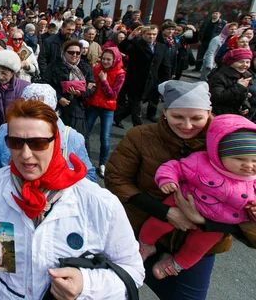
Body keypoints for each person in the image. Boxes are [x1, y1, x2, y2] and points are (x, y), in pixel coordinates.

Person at [0, 99, 144, 299]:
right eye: (16, 142)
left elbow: (133, 271)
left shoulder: (99, 203)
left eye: (38, 143)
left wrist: (85, 284)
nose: (25, 155)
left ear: (56, 142)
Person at [105, 80, 256, 299]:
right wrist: (166, 212)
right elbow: (116, 179)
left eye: (196, 118)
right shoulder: (140, 137)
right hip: (139, 236)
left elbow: (247, 208)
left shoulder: (231, 142)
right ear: (164, 112)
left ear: (209, 112)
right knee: (117, 292)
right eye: (178, 117)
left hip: (198, 249)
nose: (187, 125)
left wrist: (205, 222)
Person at [138, 114, 256, 279]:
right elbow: (176, 167)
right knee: (156, 223)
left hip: (218, 223)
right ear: (219, 153)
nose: (249, 165)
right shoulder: (202, 162)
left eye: (254, 160)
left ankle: (177, 263)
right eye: (239, 158)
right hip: (184, 200)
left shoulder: (253, 182)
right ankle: (145, 244)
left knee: (198, 247)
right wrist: (167, 179)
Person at [0, 83, 97, 182]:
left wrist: (64, 186)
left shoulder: (72, 137)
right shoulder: (6, 129)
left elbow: (89, 177)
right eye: (16, 142)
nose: (26, 154)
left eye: (40, 143)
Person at [114, 26, 170, 127]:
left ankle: (117, 116)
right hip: (135, 81)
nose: (151, 36)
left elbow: (165, 65)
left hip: (151, 82)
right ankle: (139, 128)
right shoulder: (136, 44)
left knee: (134, 105)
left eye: (154, 34)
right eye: (148, 34)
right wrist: (131, 37)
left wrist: (166, 82)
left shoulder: (162, 47)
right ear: (143, 34)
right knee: (137, 104)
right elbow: (122, 48)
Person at [44, 40, 96, 142]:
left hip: (78, 109)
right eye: (71, 52)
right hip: (59, 109)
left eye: (77, 53)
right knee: (59, 140)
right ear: (64, 52)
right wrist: (59, 98)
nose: (75, 55)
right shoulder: (54, 66)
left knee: (78, 140)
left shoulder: (85, 67)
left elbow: (92, 85)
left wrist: (81, 93)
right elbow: (46, 85)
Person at [85, 48, 126, 177]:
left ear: (115, 60)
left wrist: (103, 81)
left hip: (107, 108)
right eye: (103, 59)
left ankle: (103, 163)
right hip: (93, 105)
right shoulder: (96, 68)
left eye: (109, 59)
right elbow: (90, 85)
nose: (105, 62)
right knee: (85, 132)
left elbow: (112, 94)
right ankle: (83, 159)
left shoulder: (120, 73)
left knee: (105, 137)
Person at [208, 48, 252, 116]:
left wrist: (245, 106)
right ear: (231, 63)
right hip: (219, 114)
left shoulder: (245, 76)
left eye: (247, 62)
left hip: (236, 115)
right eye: (241, 62)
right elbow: (217, 97)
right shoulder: (218, 76)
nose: (245, 65)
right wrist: (239, 86)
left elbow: (243, 96)